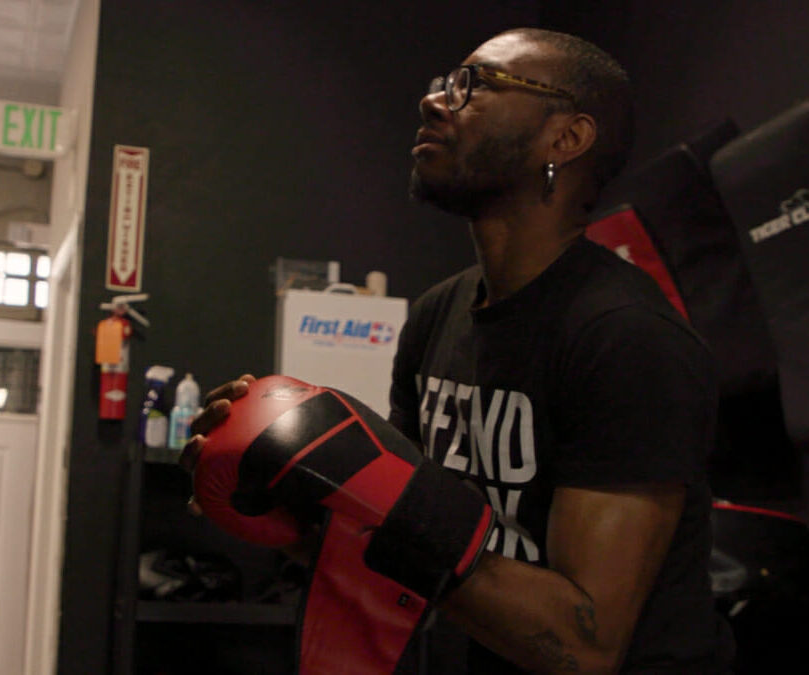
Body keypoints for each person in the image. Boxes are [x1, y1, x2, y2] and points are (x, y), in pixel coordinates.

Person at [183, 27, 734, 673]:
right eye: (444, 81)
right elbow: (411, 551)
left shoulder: (626, 338)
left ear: (567, 138)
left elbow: (584, 644)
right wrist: (301, 512)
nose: (433, 100)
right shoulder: (437, 314)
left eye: (474, 85)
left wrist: (386, 504)